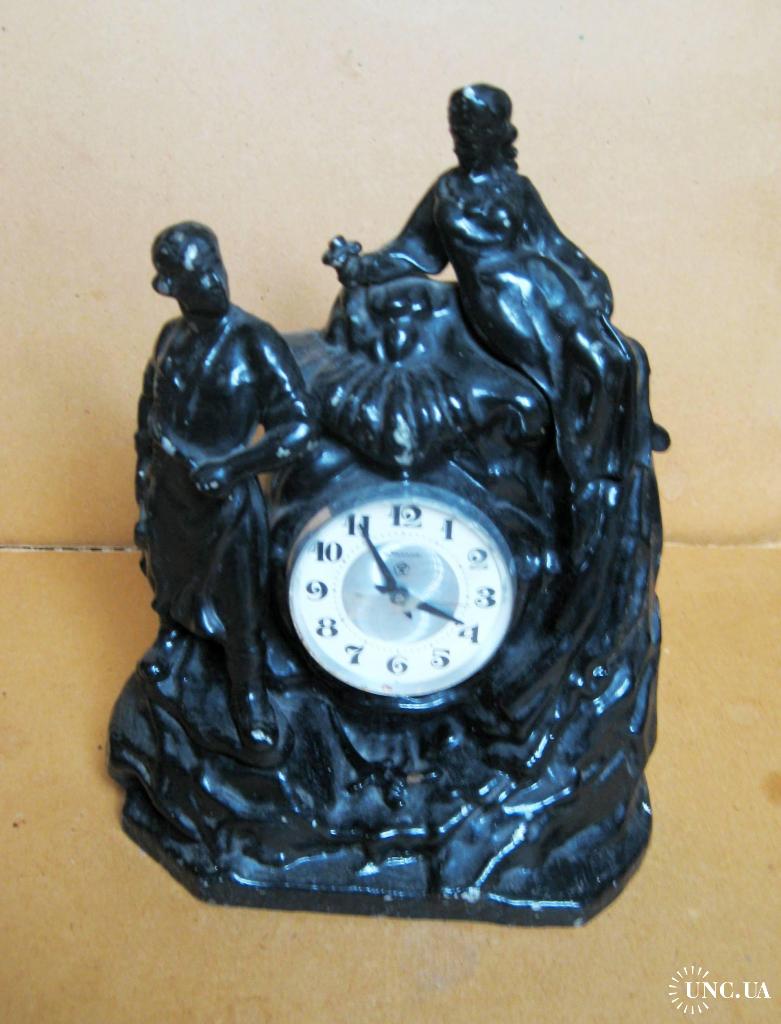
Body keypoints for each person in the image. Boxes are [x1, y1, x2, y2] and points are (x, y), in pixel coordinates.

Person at [324, 83, 634, 490]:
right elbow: (414, 249)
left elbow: (554, 244)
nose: (463, 139)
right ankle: (576, 470)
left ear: (496, 132)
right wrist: (360, 267)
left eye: (473, 129)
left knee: (609, 359)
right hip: (495, 297)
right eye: (458, 130)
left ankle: (611, 466)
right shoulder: (447, 190)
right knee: (558, 378)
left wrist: (592, 277)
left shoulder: (518, 188)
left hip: (543, 283)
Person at [135, 222, 315, 759]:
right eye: (197, 275)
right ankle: (174, 638)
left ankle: (249, 697)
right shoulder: (170, 338)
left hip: (227, 504)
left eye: (215, 267)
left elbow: (297, 426)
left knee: (241, 610)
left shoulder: (254, 341)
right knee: (169, 579)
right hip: (171, 496)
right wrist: (145, 491)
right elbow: (148, 417)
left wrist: (235, 466)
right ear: (169, 287)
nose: (214, 282)